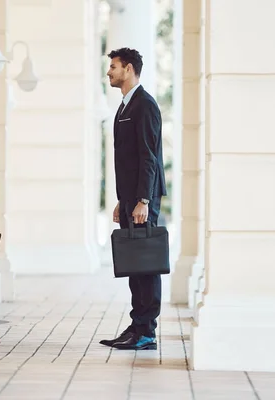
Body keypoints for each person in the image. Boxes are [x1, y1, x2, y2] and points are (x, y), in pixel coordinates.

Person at [100, 48, 168, 350]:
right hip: (131, 199)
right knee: (134, 264)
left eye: (113, 67)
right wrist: (123, 200)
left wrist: (142, 199)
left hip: (144, 200)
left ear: (128, 69)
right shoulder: (125, 106)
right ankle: (137, 325)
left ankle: (147, 332)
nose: (109, 72)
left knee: (146, 264)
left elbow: (148, 157)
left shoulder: (145, 105)